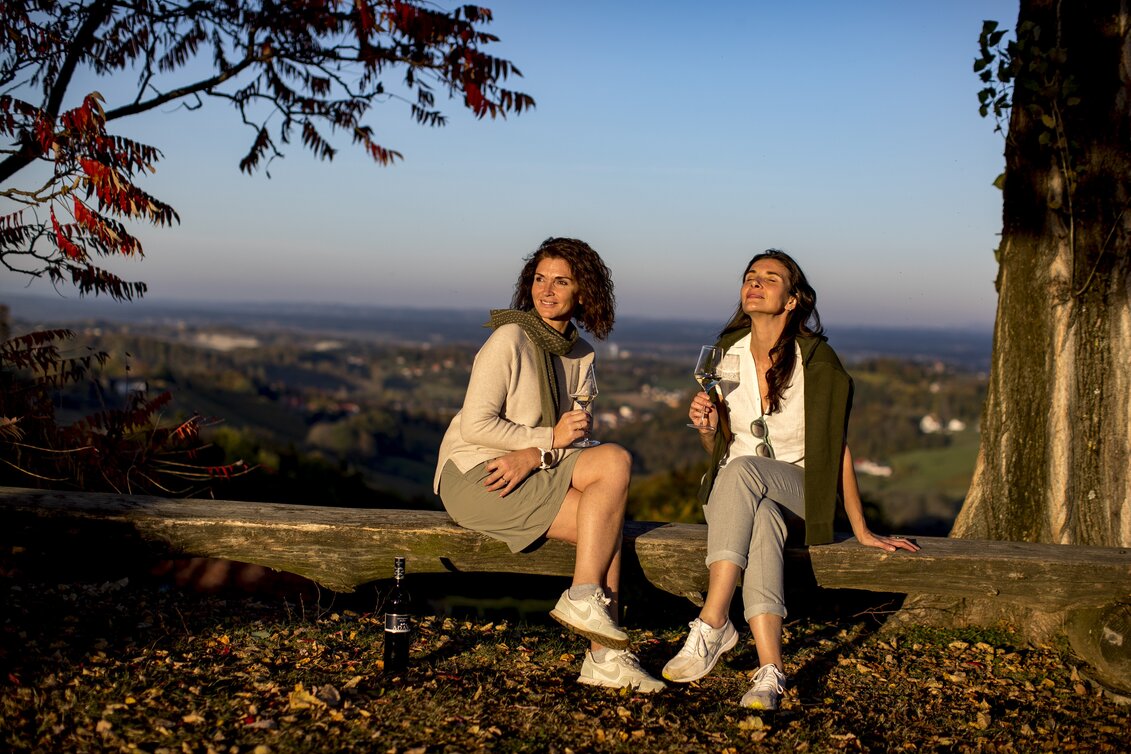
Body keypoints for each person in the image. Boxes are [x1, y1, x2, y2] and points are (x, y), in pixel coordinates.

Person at [662, 249, 919, 709]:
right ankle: (770, 672)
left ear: (793, 300)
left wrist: (860, 528)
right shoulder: (727, 353)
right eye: (750, 276)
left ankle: (713, 621)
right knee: (759, 517)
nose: (755, 283)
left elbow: (836, 445)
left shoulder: (817, 361)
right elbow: (721, 448)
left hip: (804, 491)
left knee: (743, 474)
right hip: (739, 496)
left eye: (770, 278)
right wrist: (707, 429)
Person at [434, 237, 664, 693]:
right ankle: (599, 639)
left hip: (529, 465)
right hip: (478, 473)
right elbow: (478, 425)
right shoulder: (509, 337)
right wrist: (542, 443)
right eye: (540, 279)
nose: (547, 290)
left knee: (606, 513)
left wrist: (535, 454)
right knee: (614, 470)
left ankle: (601, 648)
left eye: (561, 281)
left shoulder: (580, 355)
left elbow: (572, 439)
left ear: (583, 292)